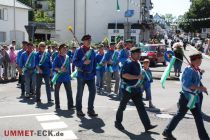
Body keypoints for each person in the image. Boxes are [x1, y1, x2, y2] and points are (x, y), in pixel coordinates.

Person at [162, 52, 209, 140]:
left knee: (197, 117)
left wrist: (200, 74)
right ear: (195, 60)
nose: (201, 61)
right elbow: (187, 84)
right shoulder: (190, 70)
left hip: (193, 97)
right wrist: (200, 88)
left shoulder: (194, 68)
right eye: (199, 59)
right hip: (187, 98)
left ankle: (204, 137)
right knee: (182, 115)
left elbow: (195, 80)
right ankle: (167, 131)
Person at [115, 47, 157, 131]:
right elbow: (124, 75)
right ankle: (118, 123)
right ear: (132, 54)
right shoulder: (128, 63)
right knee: (122, 107)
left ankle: (147, 125)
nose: (139, 55)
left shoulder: (137, 62)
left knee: (141, 107)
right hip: (127, 89)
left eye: (140, 54)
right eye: (137, 54)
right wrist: (137, 77)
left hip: (136, 89)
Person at [73, 34, 98, 117]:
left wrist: (94, 73)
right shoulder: (79, 50)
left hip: (91, 75)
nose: (89, 41)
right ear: (83, 41)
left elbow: (94, 63)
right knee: (80, 93)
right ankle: (79, 110)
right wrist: (83, 62)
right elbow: (74, 62)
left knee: (93, 92)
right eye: (87, 40)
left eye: (90, 40)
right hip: (81, 75)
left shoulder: (92, 51)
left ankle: (90, 110)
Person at [52, 44, 74, 110]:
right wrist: (60, 69)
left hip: (66, 77)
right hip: (58, 77)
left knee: (69, 91)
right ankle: (57, 105)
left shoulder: (67, 57)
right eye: (63, 48)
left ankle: (70, 105)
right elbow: (54, 67)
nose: (65, 50)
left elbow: (69, 67)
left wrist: (70, 74)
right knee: (56, 91)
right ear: (60, 50)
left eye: (66, 48)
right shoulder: (57, 58)